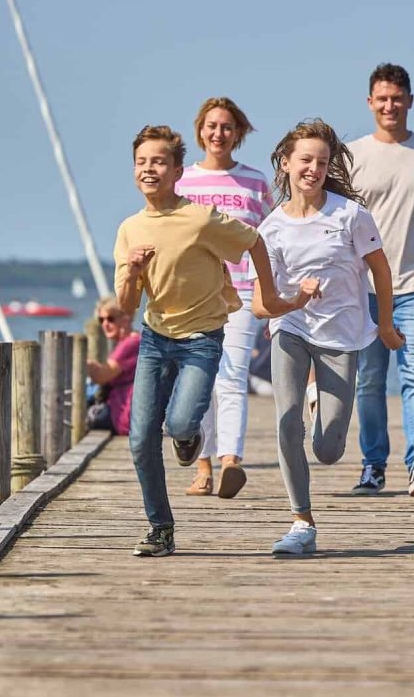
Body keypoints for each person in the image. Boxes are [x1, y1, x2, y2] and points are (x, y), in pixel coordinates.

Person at [114, 125, 305, 558]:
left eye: (159, 162)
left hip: (201, 337)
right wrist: (132, 270)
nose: (149, 169)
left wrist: (267, 294)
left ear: (177, 170)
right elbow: (126, 307)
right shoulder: (130, 229)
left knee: (181, 423)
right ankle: (160, 528)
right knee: (140, 438)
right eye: (142, 162)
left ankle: (188, 437)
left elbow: (254, 241)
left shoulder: (199, 218)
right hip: (155, 339)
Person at [258, 119, 403, 556]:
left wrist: (384, 324)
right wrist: (294, 301)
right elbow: (262, 305)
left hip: (341, 335)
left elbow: (381, 271)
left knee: (327, 449)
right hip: (291, 329)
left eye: (322, 162)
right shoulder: (270, 228)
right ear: (286, 163)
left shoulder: (350, 215)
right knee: (287, 422)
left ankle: (318, 401)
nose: (314, 169)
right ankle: (301, 522)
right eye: (305, 160)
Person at [347, 63, 414, 498]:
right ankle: (373, 465)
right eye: (382, 98)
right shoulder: (352, 155)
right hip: (365, 290)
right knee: (370, 380)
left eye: (397, 98)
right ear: (369, 102)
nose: (390, 105)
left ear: (410, 101)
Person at [176, 97, 274, 499]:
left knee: (232, 376)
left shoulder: (255, 182)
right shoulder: (182, 181)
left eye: (227, 127)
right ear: (200, 131)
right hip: (194, 295)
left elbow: (269, 240)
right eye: (212, 126)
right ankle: (202, 467)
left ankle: (230, 461)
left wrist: (271, 297)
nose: (219, 133)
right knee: (199, 379)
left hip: (243, 293)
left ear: (239, 134)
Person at [85, 298, 139, 435]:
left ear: (126, 318)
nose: (105, 324)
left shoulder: (130, 344)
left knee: (78, 415)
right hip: (128, 413)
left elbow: (101, 376)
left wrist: (81, 362)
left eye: (110, 319)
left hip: (122, 415)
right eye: (101, 320)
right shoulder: (135, 340)